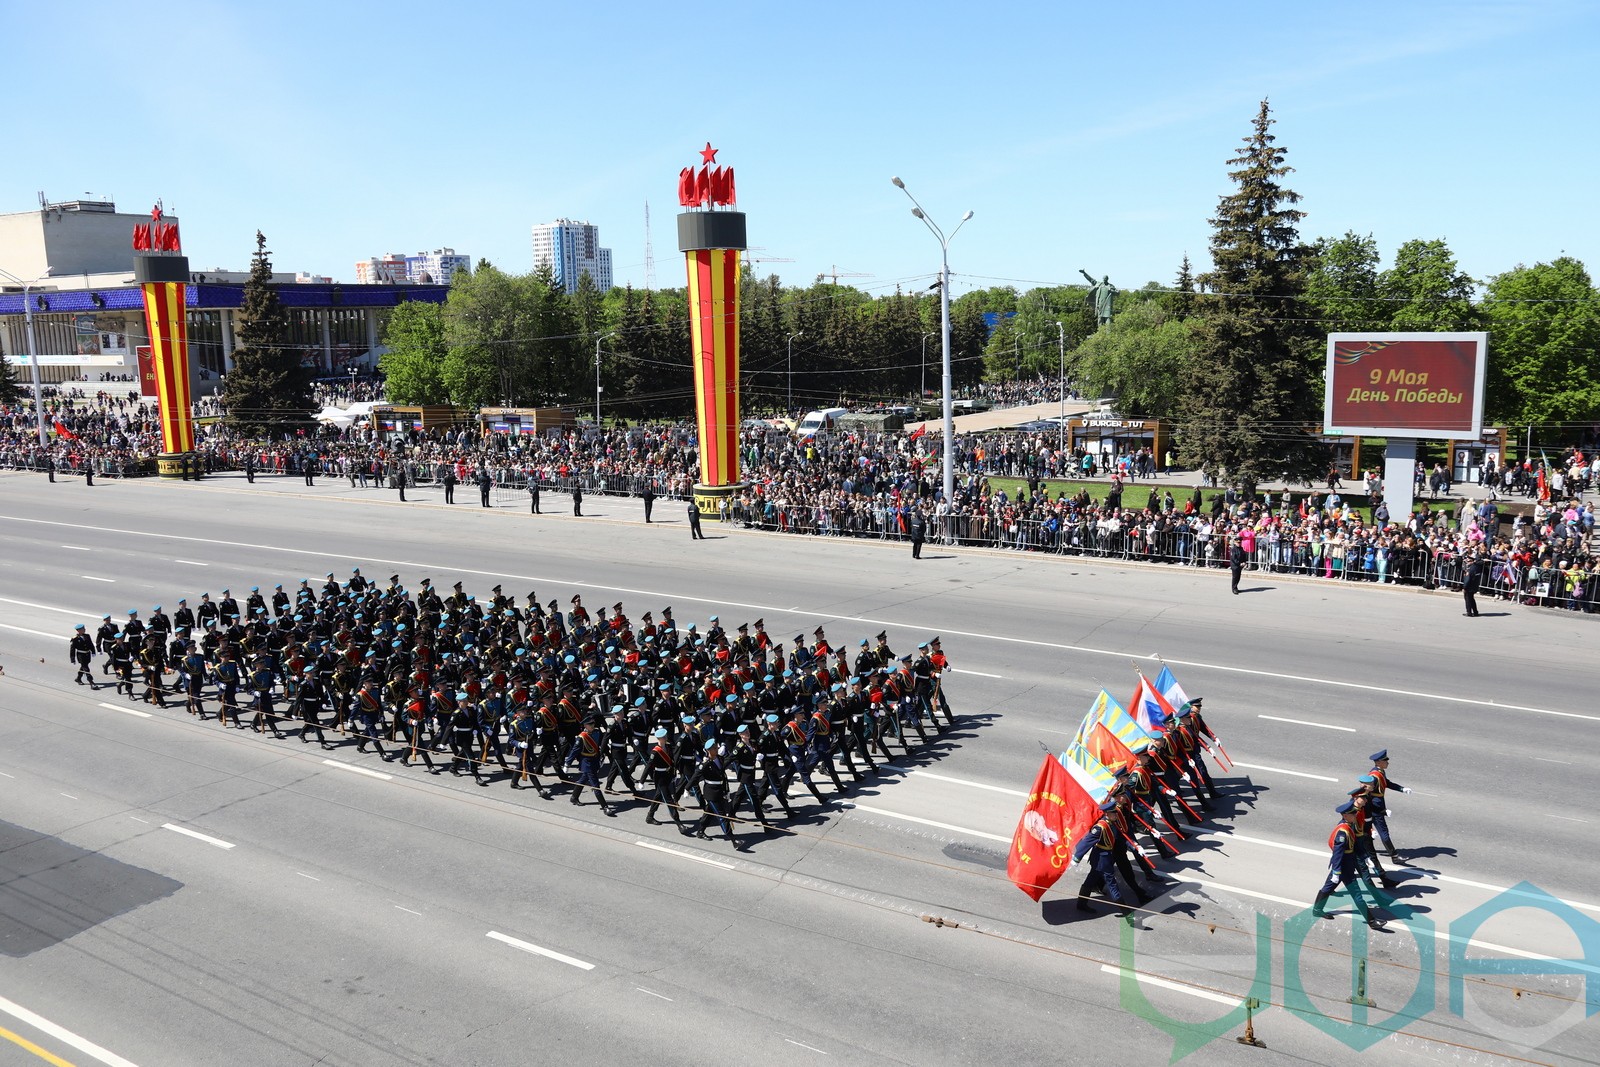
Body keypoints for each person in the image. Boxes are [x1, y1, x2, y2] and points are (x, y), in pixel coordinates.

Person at [1313, 802, 1388, 931]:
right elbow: (1338, 853)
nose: (1355, 815)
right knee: (1357, 894)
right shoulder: (1342, 832)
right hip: (1343, 866)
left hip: (1347, 864)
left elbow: (1355, 846)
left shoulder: (1349, 826)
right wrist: (1336, 871)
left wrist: (1365, 857)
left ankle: (1317, 909)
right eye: (1353, 813)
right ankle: (1372, 922)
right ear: (1345, 815)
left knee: (1328, 887)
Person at [1462, 549, 1483, 617]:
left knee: (1468, 599)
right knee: (1471, 598)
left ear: (1473, 561)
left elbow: (1467, 579)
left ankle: (1469, 612)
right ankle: (1475, 612)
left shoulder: (1471, 569)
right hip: (1474, 585)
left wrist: (1464, 587)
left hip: (1469, 586)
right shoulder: (1477, 567)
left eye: (1469, 560)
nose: (1467, 561)